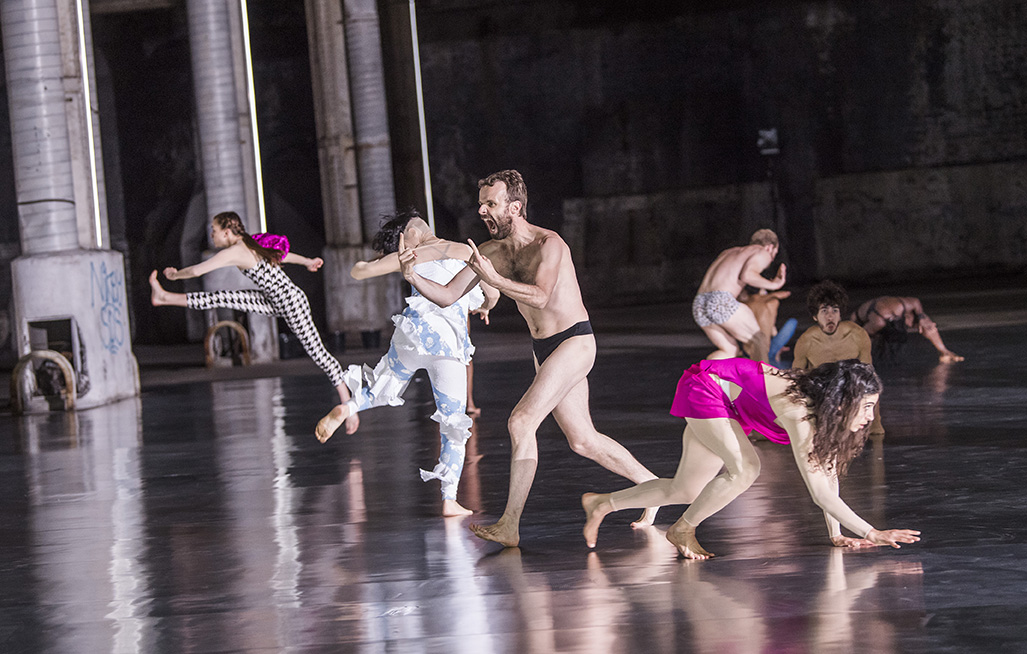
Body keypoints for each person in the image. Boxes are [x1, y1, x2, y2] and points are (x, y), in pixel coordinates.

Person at [396, 169, 660, 547]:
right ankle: (652, 487)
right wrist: (413, 277)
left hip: (575, 342)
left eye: (491, 203)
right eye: (481, 203)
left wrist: (495, 281)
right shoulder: (489, 253)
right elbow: (448, 295)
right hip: (545, 349)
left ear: (514, 207)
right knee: (583, 440)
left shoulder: (549, 244)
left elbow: (540, 296)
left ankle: (510, 524)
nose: (482, 211)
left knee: (521, 422)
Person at [581, 359, 920, 559]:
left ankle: (603, 503)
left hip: (725, 404)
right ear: (842, 401)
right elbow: (819, 493)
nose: (870, 417)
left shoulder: (823, 417)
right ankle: (682, 529)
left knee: (687, 490)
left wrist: (836, 533)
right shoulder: (800, 411)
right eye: (867, 407)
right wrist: (871, 532)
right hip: (707, 387)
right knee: (746, 469)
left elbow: (826, 474)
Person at [314, 209, 498, 517]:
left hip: (413, 336)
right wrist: (485, 306)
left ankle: (347, 408)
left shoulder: (411, 254)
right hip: (447, 346)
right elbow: (490, 292)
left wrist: (384, 260)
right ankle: (449, 499)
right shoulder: (465, 250)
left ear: (408, 236)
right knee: (453, 422)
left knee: (384, 385)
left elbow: (357, 271)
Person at [149, 211, 359, 434]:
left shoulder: (235, 251)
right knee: (222, 297)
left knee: (318, 353)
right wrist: (307, 261)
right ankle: (165, 298)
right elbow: (280, 255)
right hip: (272, 300)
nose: (211, 235)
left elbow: (196, 270)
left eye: (214, 231)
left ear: (227, 232)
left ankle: (349, 406)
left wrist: (175, 275)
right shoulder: (252, 242)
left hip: (291, 302)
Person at [793, 281, 883, 435]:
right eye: (824, 311)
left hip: (851, 388)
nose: (830, 316)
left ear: (840, 314)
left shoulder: (857, 335)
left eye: (835, 310)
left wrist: (876, 423)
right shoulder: (806, 341)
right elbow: (796, 378)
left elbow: (869, 376)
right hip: (823, 391)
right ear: (815, 317)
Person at [693, 229, 787, 362]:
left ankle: (704, 379)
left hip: (699, 304)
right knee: (759, 339)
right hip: (720, 300)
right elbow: (748, 275)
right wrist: (775, 285)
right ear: (770, 247)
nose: (771, 260)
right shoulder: (761, 252)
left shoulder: (728, 252)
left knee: (730, 350)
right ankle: (762, 381)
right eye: (774, 255)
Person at [851, 296, 964, 363]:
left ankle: (944, 352)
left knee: (926, 323)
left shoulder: (902, 306)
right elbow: (862, 335)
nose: (912, 326)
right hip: (859, 320)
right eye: (910, 325)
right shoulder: (878, 322)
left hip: (890, 312)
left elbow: (915, 301)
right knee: (865, 342)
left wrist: (920, 317)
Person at [739, 288, 796, 368]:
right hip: (766, 352)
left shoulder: (743, 305)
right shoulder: (772, 302)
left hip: (748, 352)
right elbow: (772, 331)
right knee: (793, 322)